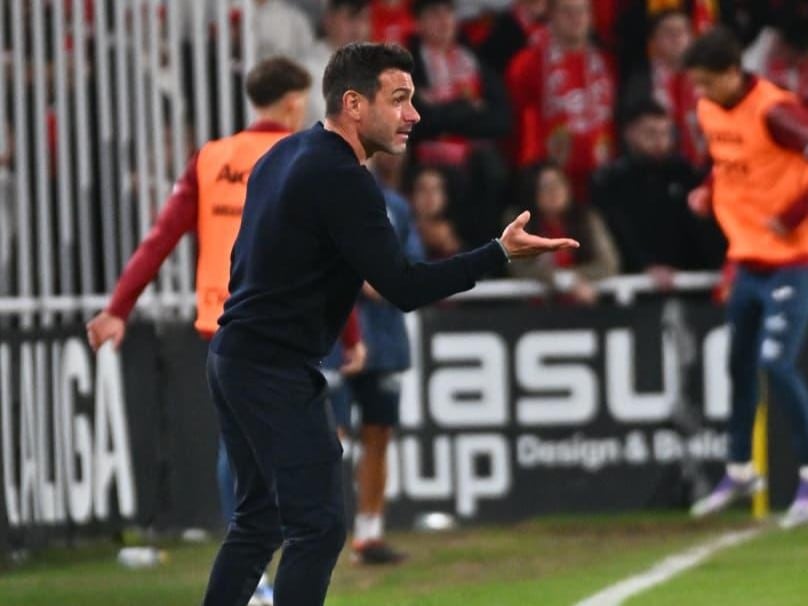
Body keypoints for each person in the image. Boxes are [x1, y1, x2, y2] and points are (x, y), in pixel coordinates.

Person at [202, 42, 579, 606]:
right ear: (354, 104)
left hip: (235, 356)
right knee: (319, 526)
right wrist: (497, 253)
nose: (415, 115)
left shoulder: (282, 156)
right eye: (400, 99)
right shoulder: (345, 179)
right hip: (272, 369)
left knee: (259, 523)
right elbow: (402, 287)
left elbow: (248, 264)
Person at [83, 57, 362, 606]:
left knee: (237, 447)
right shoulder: (308, 154)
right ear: (290, 102)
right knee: (303, 459)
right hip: (284, 325)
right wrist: (350, 335)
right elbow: (334, 256)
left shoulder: (211, 158)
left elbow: (160, 236)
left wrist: (120, 306)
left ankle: (252, 570)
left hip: (222, 323)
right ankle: (282, 560)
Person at [682, 27, 808, 529]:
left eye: (707, 82)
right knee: (738, 366)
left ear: (734, 73)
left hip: (790, 261)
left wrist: (794, 213)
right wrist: (708, 189)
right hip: (746, 260)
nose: (700, 93)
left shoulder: (776, 109)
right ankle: (739, 470)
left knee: (775, 365)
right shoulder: (712, 109)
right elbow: (731, 160)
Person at [323, 156, 424, 565]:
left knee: (379, 435)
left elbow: (414, 263)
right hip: (333, 339)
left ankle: (369, 532)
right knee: (332, 441)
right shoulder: (323, 201)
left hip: (384, 337)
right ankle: (321, 533)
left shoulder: (395, 206)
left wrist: (390, 278)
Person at [591, 99, 724, 289]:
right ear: (630, 133)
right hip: (631, 284)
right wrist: (646, 265)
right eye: (650, 133)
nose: (660, 140)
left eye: (665, 132)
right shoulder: (610, 182)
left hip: (693, 281)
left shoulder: (688, 176)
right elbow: (616, 231)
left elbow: (702, 229)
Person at [509, 161, 618, 305]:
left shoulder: (587, 218)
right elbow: (520, 267)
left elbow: (609, 263)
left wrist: (576, 278)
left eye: (558, 184)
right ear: (532, 192)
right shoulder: (519, 223)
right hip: (533, 311)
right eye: (545, 187)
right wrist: (560, 281)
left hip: (583, 307)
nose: (554, 192)